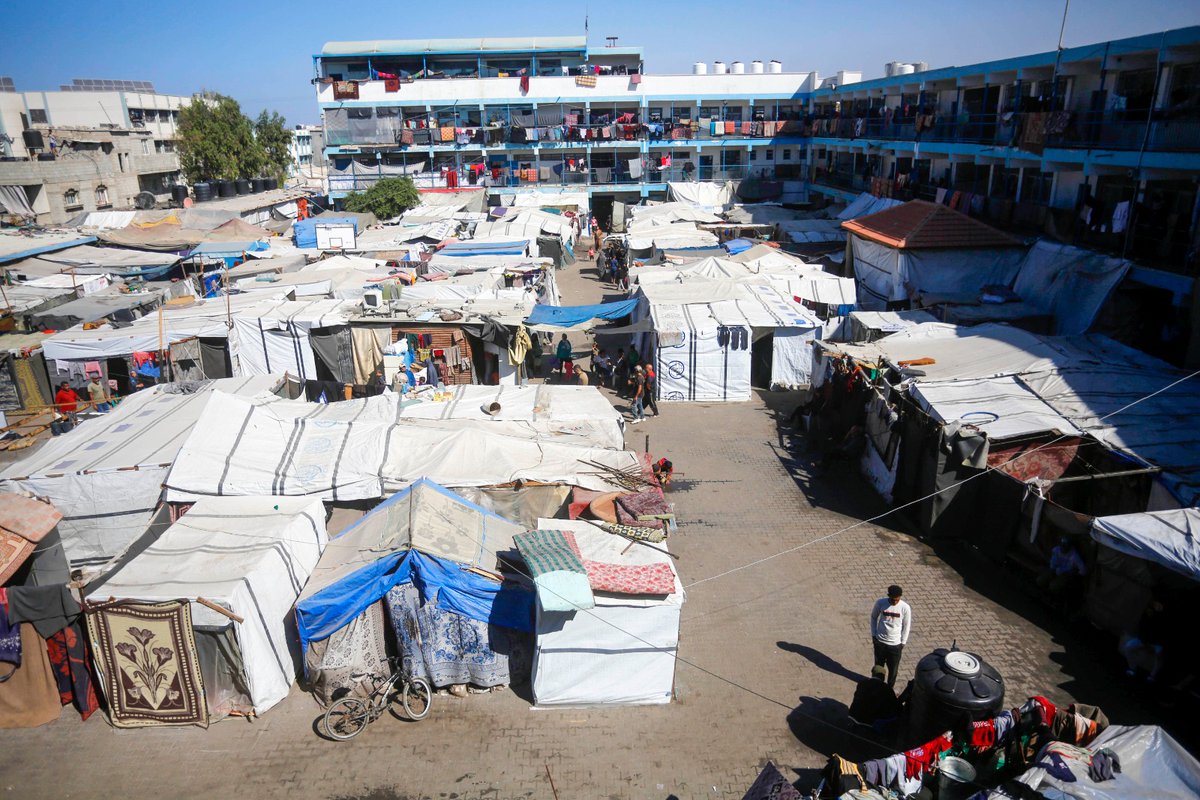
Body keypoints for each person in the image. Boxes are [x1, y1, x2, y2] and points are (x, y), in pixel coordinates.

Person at [870, 585, 911, 688]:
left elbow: (906, 626)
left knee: (893, 671)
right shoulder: (880, 603)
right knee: (879, 668)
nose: (895, 602)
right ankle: (877, 687)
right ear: (889, 596)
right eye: (893, 600)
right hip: (880, 642)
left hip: (895, 645)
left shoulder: (905, 608)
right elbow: (873, 617)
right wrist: (874, 635)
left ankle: (889, 689)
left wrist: (903, 642)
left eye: (897, 600)